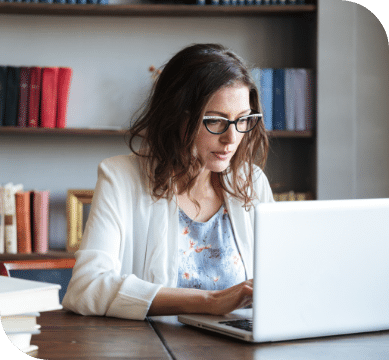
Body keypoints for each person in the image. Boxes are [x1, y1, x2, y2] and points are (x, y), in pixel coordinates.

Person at [62, 43, 274, 321]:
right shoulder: (120, 178)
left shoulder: (252, 182)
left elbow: (280, 280)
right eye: (215, 121)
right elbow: (86, 288)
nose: (231, 139)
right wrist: (210, 301)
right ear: (177, 117)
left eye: (243, 120)